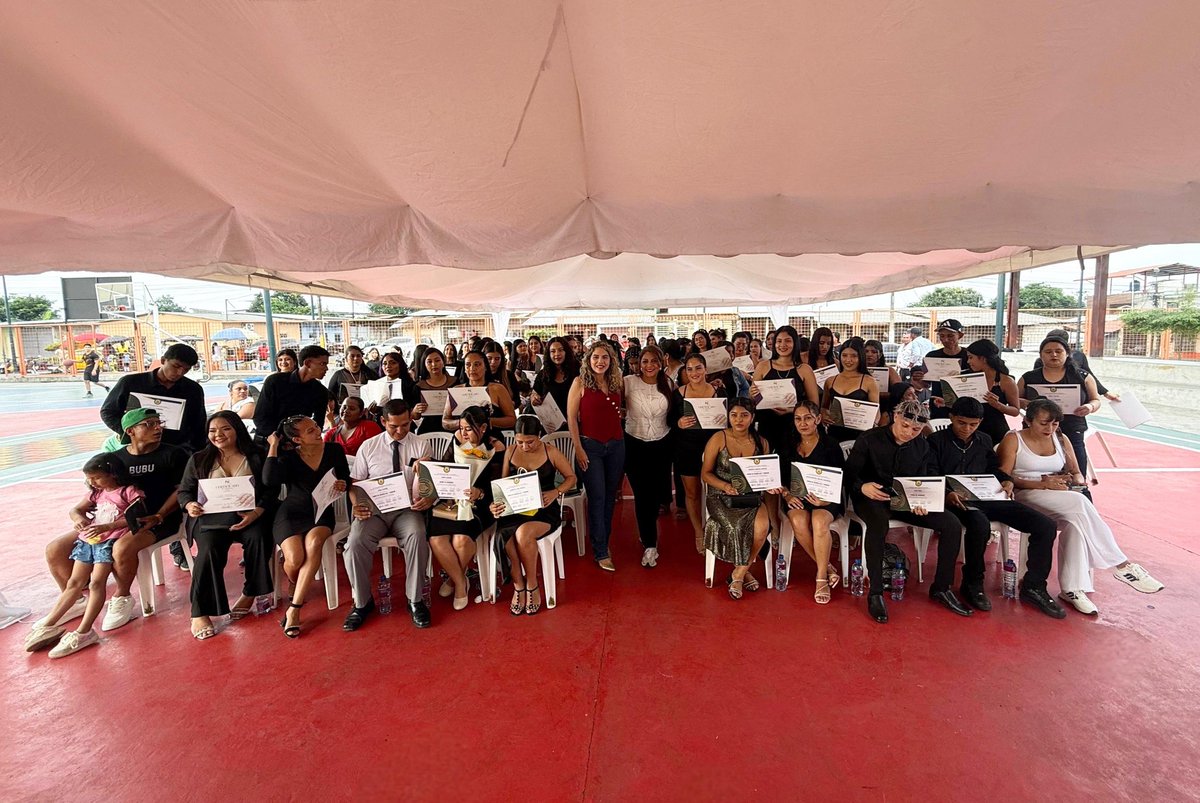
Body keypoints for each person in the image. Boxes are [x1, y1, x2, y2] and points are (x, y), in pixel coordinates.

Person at [998, 399, 1162, 615]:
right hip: (1026, 494)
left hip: (1059, 494)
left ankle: (1072, 589)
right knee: (1080, 503)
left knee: (1074, 523)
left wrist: (1075, 481)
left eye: (1055, 423)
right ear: (1028, 421)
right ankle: (1122, 565)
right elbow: (1004, 477)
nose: (1050, 428)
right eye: (1044, 423)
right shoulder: (1014, 439)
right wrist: (1042, 484)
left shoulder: (1060, 438)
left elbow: (1076, 471)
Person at [44, 408, 189, 632]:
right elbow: (93, 495)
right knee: (55, 549)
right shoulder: (115, 460)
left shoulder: (174, 454)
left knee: (121, 548)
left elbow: (182, 489)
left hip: (158, 519)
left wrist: (159, 514)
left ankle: (122, 597)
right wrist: (78, 516)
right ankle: (75, 600)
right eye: (149, 424)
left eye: (158, 422)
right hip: (110, 522)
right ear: (130, 431)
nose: (158, 428)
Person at [928, 398, 1065, 617]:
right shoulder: (935, 441)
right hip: (956, 500)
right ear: (951, 418)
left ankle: (1034, 586)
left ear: (980, 422)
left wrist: (1007, 480)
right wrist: (947, 493)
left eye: (973, 424)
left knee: (1045, 526)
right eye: (962, 423)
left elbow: (994, 468)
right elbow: (930, 474)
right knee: (979, 524)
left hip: (988, 496)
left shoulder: (983, 439)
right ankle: (972, 582)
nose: (967, 429)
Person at [844, 400, 970, 623]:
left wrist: (922, 501)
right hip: (871, 496)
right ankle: (875, 593)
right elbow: (849, 474)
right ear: (896, 417)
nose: (909, 432)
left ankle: (941, 587)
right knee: (878, 524)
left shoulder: (922, 446)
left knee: (951, 523)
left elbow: (923, 480)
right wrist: (862, 487)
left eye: (916, 429)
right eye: (905, 426)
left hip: (906, 501)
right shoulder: (869, 438)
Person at [24, 454, 146, 656]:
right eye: (89, 478)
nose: (92, 482)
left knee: (97, 583)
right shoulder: (96, 493)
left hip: (107, 543)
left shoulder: (128, 492)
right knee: (74, 582)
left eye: (96, 477)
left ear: (112, 474)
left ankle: (85, 631)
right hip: (88, 541)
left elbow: (137, 518)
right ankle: (49, 625)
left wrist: (108, 526)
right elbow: (75, 510)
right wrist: (78, 519)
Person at [178, 412, 274, 639]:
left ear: (237, 430)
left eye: (225, 429)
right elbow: (184, 491)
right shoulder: (199, 459)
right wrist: (190, 505)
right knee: (208, 550)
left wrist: (256, 512)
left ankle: (251, 592)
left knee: (258, 537)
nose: (218, 435)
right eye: (212, 431)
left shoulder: (256, 455)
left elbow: (271, 490)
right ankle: (200, 612)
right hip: (211, 520)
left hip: (249, 516)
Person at [341, 400, 433, 631]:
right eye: (394, 426)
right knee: (355, 543)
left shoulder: (420, 444)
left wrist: (428, 498)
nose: (400, 431)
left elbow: (428, 482)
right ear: (383, 421)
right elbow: (355, 484)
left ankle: (415, 600)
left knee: (417, 535)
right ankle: (362, 602)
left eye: (405, 425)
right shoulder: (369, 447)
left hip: (407, 509)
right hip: (375, 509)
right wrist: (356, 505)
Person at [264, 415, 350, 637]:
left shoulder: (334, 450)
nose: (318, 431)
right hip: (291, 513)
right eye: (310, 431)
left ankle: (295, 608)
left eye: (316, 427)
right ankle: (296, 580)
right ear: (297, 439)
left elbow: (346, 477)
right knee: (294, 559)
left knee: (314, 543)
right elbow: (269, 479)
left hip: (321, 512)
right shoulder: (289, 457)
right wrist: (273, 446)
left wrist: (342, 483)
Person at [490, 411, 576, 615]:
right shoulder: (510, 452)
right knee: (504, 536)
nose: (524, 447)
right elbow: (502, 485)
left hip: (543, 509)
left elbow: (571, 477)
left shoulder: (550, 452)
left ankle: (532, 584)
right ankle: (518, 585)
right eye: (520, 442)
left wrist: (556, 492)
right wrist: (496, 505)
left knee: (523, 534)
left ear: (539, 436)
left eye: (530, 442)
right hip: (516, 508)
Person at [427, 406, 504, 610]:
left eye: (469, 429)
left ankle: (453, 581)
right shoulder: (456, 441)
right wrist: (427, 465)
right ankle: (461, 582)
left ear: (483, 427)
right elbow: (444, 469)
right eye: (461, 428)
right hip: (452, 503)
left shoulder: (495, 447)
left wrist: (479, 493)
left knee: (460, 540)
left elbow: (498, 485)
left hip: (482, 505)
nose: (464, 433)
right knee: (436, 538)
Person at [701, 397, 774, 600]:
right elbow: (705, 473)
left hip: (751, 497)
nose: (738, 420)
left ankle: (739, 573)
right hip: (721, 496)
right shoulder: (718, 438)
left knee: (762, 527)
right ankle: (744, 573)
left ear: (752, 417)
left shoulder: (762, 443)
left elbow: (766, 476)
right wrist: (726, 486)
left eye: (744, 415)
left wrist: (773, 485)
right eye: (734, 415)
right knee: (734, 526)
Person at [779, 402, 846, 604]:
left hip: (826, 498)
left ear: (817, 419)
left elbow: (842, 478)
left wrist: (824, 500)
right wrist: (787, 495)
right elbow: (779, 477)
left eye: (808, 418)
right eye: (798, 419)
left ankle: (821, 577)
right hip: (796, 496)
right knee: (798, 521)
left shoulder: (831, 445)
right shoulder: (788, 443)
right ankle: (827, 567)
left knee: (818, 522)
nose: (803, 423)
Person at [568, 342, 625, 571]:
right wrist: (578, 448)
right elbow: (572, 418)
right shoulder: (579, 382)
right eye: (596, 357)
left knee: (610, 497)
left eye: (605, 357)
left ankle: (604, 541)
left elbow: (619, 410)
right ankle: (600, 550)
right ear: (588, 360)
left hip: (616, 445)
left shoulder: (616, 382)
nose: (600, 362)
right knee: (597, 497)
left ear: (611, 360)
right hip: (590, 447)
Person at [1018, 334, 1102, 480]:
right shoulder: (1028, 377)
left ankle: (1079, 491)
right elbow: (1014, 400)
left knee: (1076, 471)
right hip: (1036, 430)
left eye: (1058, 351)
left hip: (1072, 427)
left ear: (1067, 353)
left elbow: (1096, 400)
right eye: (1048, 352)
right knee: (1036, 471)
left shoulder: (1082, 376)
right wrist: (1025, 403)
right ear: (1041, 355)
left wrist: (1089, 407)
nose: (1054, 355)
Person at [668, 353, 728, 554]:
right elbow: (668, 421)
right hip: (686, 448)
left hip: (714, 448)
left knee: (716, 492)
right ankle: (698, 532)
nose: (694, 373)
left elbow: (729, 419)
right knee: (692, 493)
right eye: (689, 369)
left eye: (698, 368)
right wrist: (678, 422)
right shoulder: (678, 394)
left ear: (706, 369)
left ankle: (718, 529)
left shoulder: (719, 391)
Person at [100, 343, 207, 452]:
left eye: (186, 369)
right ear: (163, 360)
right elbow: (108, 412)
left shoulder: (193, 390)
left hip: (176, 451)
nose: (180, 372)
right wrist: (132, 434)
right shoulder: (131, 383)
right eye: (176, 366)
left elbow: (199, 424)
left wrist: (196, 451)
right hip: (139, 450)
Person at [623, 346, 674, 568]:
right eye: (645, 361)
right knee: (642, 494)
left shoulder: (668, 383)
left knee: (654, 496)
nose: (649, 365)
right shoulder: (627, 382)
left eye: (654, 361)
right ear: (638, 363)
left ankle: (647, 532)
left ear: (661, 362)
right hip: (634, 443)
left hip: (662, 444)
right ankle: (650, 544)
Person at [750, 324, 820, 465]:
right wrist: (752, 393)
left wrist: (792, 410)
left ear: (795, 343)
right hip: (767, 424)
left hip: (795, 426)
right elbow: (752, 400)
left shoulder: (804, 369)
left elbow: (814, 404)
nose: (782, 345)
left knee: (791, 465)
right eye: (779, 341)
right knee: (768, 464)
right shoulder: (763, 366)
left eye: (788, 341)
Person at [253, 345, 331, 441]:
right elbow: (260, 416)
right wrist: (278, 439)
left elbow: (318, 423)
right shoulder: (275, 381)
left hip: (298, 442)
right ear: (307, 363)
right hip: (267, 440)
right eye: (323, 364)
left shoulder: (320, 391)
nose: (326, 368)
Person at [1034, 328, 1121, 402]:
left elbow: (1089, 376)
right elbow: (1035, 383)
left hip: (1073, 401)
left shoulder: (1078, 356)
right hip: (1048, 400)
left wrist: (1105, 393)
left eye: (1058, 349)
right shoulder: (1040, 361)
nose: (1054, 354)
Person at [821, 337, 880, 443]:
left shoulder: (869, 381)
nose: (848, 360)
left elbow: (876, 411)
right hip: (834, 434)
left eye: (853, 356)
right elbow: (824, 407)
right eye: (844, 355)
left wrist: (873, 426)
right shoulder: (830, 381)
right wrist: (824, 415)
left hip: (860, 437)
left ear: (861, 357)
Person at [441, 349, 516, 432]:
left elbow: (512, 419)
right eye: (468, 365)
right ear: (464, 369)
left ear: (486, 367)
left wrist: (488, 421)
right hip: (463, 437)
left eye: (477, 364)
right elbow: (445, 422)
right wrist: (463, 422)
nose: (472, 368)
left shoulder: (497, 389)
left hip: (491, 436)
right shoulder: (456, 390)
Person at [962, 339, 1020, 445]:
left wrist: (998, 405)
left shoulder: (1005, 381)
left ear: (983, 358)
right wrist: (948, 401)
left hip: (995, 431)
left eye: (971, 357)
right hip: (970, 430)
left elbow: (1015, 411)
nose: (968, 362)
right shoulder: (968, 378)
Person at [915, 319, 970, 418]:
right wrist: (919, 379)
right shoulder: (932, 356)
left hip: (964, 405)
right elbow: (926, 384)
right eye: (942, 336)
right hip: (938, 403)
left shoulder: (969, 356)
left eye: (950, 336)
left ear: (960, 335)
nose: (945, 340)